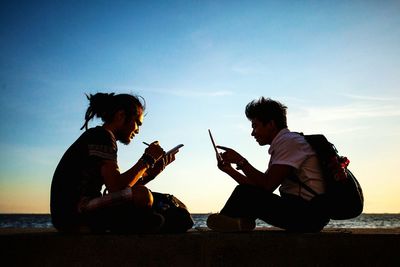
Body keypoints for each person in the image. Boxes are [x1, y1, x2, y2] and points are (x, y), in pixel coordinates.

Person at [50, 92, 192, 233]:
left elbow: (120, 188)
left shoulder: (101, 137)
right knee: (142, 195)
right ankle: (141, 223)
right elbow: (116, 187)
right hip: (75, 214)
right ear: (121, 115)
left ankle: (142, 222)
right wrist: (147, 159)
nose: (137, 130)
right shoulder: (102, 137)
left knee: (143, 196)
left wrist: (151, 173)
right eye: (137, 123)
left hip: (70, 215)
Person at [207, 97, 330, 232]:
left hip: (307, 215)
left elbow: (267, 186)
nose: (252, 133)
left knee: (244, 193)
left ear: (271, 124)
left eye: (255, 126)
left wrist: (241, 161)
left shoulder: (290, 142)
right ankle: (237, 223)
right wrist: (229, 170)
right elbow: (259, 186)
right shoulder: (286, 143)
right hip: (303, 212)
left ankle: (227, 222)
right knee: (244, 191)